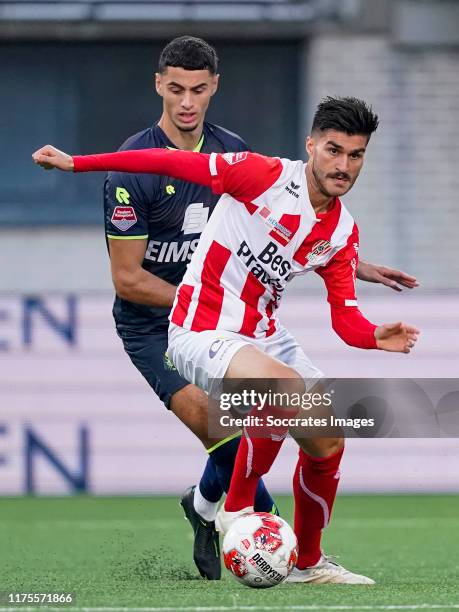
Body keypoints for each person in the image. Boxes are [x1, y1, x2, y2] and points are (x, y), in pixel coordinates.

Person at [33, 96, 420, 584]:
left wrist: (372, 337)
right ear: (311, 146)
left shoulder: (342, 232)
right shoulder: (262, 176)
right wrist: (79, 164)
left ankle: (307, 563)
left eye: (355, 155)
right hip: (200, 328)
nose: (343, 166)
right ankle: (234, 510)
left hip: (263, 336)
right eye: (333, 150)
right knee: (282, 391)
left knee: (327, 438)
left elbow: (345, 317)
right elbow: (168, 160)